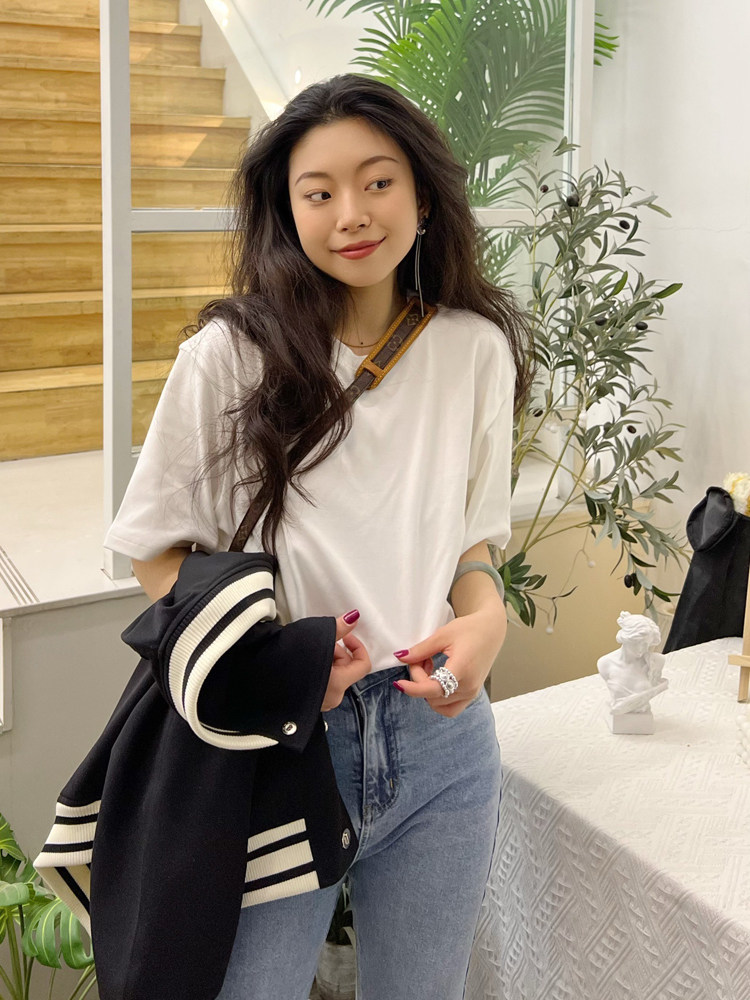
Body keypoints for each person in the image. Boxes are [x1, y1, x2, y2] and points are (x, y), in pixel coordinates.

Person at [104, 73, 532, 1000]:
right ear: (286, 210)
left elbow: (472, 544)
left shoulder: (474, 349)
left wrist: (487, 617)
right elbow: (154, 552)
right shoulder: (230, 355)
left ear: (423, 196)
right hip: (282, 741)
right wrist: (274, 656)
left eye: (378, 182)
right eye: (319, 192)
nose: (352, 214)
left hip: (442, 743)